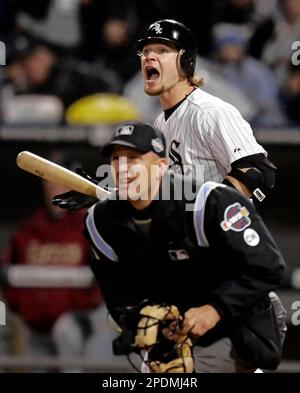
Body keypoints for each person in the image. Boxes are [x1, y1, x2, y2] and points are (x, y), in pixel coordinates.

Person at [82, 121, 286, 373]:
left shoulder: (206, 201)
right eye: (116, 159)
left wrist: (214, 309)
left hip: (239, 321)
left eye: (133, 158)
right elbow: (117, 295)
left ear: (161, 166)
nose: (123, 167)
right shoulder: (101, 221)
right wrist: (139, 316)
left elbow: (267, 267)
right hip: (176, 327)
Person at [136, 19, 277, 203]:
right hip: (186, 231)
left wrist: (210, 210)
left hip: (221, 231)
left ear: (186, 61)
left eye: (162, 50)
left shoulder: (209, 111)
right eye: (146, 51)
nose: (149, 56)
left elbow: (257, 170)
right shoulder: (160, 122)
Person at [0, 155, 103, 368]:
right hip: (34, 325)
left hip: (76, 323)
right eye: (49, 183)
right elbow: (7, 271)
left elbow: (105, 274)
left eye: (60, 182)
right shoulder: (30, 228)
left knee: (66, 334)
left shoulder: (89, 223)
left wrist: (86, 308)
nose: (53, 189)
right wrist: (23, 308)